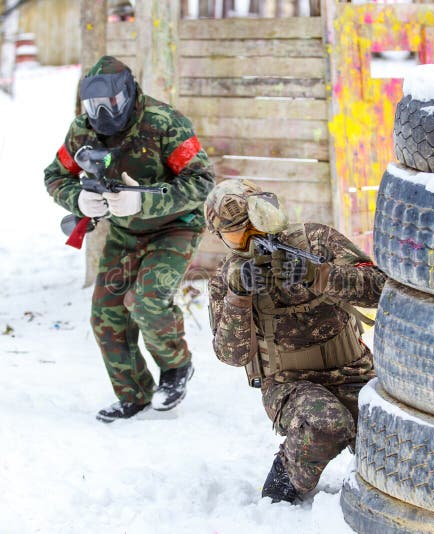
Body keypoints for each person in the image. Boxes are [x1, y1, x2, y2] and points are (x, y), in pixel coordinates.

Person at [44, 56, 215, 421]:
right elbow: (55, 175)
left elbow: (202, 181)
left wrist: (144, 199)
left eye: (112, 104)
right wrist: (78, 199)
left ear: (129, 93)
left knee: (146, 301)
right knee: (105, 314)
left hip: (176, 226)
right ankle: (134, 393)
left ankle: (176, 367)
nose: (103, 113)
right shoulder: (82, 132)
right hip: (125, 233)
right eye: (94, 106)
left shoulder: (164, 122)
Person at [205, 180, 387, 503]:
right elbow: (232, 355)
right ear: (223, 240)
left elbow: (379, 288)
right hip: (289, 384)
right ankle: (285, 478)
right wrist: (239, 297)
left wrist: (319, 274)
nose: (250, 241)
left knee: (392, 440)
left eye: (251, 227)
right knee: (327, 423)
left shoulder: (314, 241)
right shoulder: (229, 278)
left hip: (353, 370)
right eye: (236, 236)